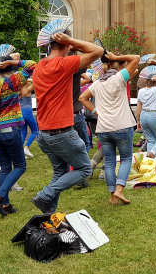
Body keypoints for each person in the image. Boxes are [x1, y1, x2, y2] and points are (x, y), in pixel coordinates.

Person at [31, 32, 103, 214]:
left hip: (44, 133)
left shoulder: (39, 66)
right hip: (61, 132)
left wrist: (68, 44)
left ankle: (48, 215)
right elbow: (98, 51)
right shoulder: (63, 64)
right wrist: (71, 41)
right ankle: (46, 194)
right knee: (85, 169)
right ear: (64, 44)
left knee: (60, 172)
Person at [80, 53, 140, 205]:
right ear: (118, 65)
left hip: (103, 128)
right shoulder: (119, 78)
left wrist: (96, 111)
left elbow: (82, 98)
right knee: (126, 158)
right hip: (122, 126)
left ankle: (113, 195)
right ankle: (119, 189)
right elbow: (136, 58)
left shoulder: (97, 83)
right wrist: (117, 56)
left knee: (109, 161)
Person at [0, 54, 36, 216]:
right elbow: (33, 65)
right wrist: (15, 61)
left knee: (5, 167)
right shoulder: (11, 82)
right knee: (20, 166)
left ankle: (5, 205)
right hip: (10, 128)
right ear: (10, 69)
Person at [136, 62, 156, 156]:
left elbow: (139, 107)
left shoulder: (141, 91)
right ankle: (152, 153)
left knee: (151, 140)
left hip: (143, 115)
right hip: (154, 115)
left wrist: (138, 120)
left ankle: (150, 159)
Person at [20, 80, 38, 158]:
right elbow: (36, 81)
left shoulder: (18, 90)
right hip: (27, 112)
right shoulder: (27, 90)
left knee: (23, 132)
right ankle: (26, 148)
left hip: (21, 113)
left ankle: (20, 152)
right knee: (35, 131)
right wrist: (29, 79)